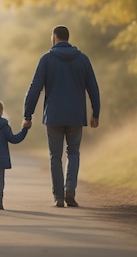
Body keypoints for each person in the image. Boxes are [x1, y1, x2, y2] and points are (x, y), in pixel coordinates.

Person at [23, 25, 100, 208]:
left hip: (54, 116)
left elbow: (35, 88)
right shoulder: (82, 59)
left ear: (54, 37)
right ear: (68, 38)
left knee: (55, 156)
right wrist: (95, 113)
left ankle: (58, 197)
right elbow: (93, 88)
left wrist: (28, 114)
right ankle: (70, 190)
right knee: (73, 153)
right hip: (76, 115)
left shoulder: (47, 59)